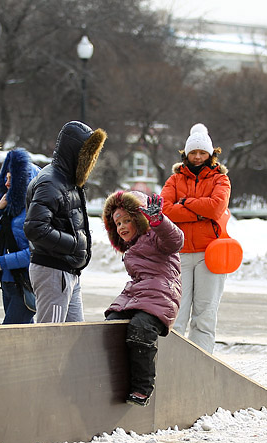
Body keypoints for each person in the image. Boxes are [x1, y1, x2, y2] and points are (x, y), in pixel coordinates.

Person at [103, 190, 184, 407]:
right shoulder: (130, 249)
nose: (121, 227)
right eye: (117, 224)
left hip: (162, 292)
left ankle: (142, 387)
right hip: (139, 292)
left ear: (140, 220)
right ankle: (114, 377)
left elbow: (175, 240)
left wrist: (159, 222)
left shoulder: (156, 238)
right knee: (112, 322)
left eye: (127, 221)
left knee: (141, 328)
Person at [24, 121, 107, 323]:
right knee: (50, 340)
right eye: (88, 154)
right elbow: (35, 227)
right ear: (76, 153)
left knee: (70, 339)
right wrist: (74, 244)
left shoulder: (67, 180)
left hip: (67, 271)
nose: (92, 160)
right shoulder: (51, 182)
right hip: (53, 271)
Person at [161, 123, 231, 353]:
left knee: (205, 314)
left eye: (202, 152)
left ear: (210, 154)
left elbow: (216, 208)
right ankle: (174, 362)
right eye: (193, 152)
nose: (198, 157)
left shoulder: (221, 179)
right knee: (176, 313)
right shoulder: (174, 180)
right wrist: (201, 210)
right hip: (178, 254)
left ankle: (201, 362)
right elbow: (165, 210)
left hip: (209, 255)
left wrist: (186, 203)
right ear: (186, 154)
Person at [0, 148, 41, 324]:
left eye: (11, 179)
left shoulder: (33, 212)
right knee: (21, 334)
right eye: (5, 179)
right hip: (8, 281)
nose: (7, 184)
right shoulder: (8, 211)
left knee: (10, 331)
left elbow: (33, 253)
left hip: (26, 282)